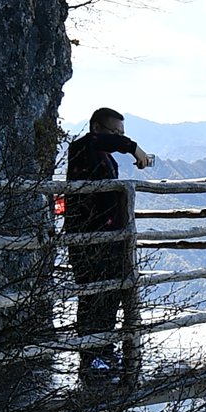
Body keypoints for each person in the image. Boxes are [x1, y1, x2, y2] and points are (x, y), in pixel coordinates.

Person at [63, 105, 153, 377]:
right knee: (94, 299)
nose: (117, 137)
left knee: (109, 297)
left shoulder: (103, 156)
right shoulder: (83, 148)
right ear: (96, 129)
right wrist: (132, 147)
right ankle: (92, 360)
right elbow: (92, 141)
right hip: (87, 240)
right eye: (112, 132)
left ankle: (103, 355)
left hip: (107, 239)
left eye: (121, 133)